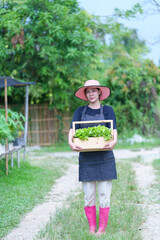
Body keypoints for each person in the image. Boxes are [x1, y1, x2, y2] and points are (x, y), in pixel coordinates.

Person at [68, 80, 117, 235]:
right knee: (88, 195)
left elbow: (113, 131)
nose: (91, 94)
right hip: (86, 158)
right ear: (85, 94)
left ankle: (101, 229)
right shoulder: (79, 112)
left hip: (105, 157)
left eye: (93, 91)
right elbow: (72, 130)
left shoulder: (108, 110)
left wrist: (113, 142)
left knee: (104, 194)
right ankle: (91, 228)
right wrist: (71, 143)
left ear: (99, 92)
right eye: (88, 92)